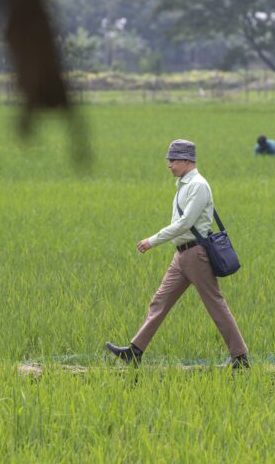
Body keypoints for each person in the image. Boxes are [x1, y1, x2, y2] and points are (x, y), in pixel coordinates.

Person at [106, 139, 250, 368]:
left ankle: (240, 357)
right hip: (181, 256)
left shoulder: (198, 185)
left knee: (215, 304)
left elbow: (185, 223)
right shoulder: (183, 185)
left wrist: (152, 241)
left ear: (186, 160)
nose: (169, 164)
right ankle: (135, 351)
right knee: (159, 302)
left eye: (172, 160)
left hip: (196, 255)